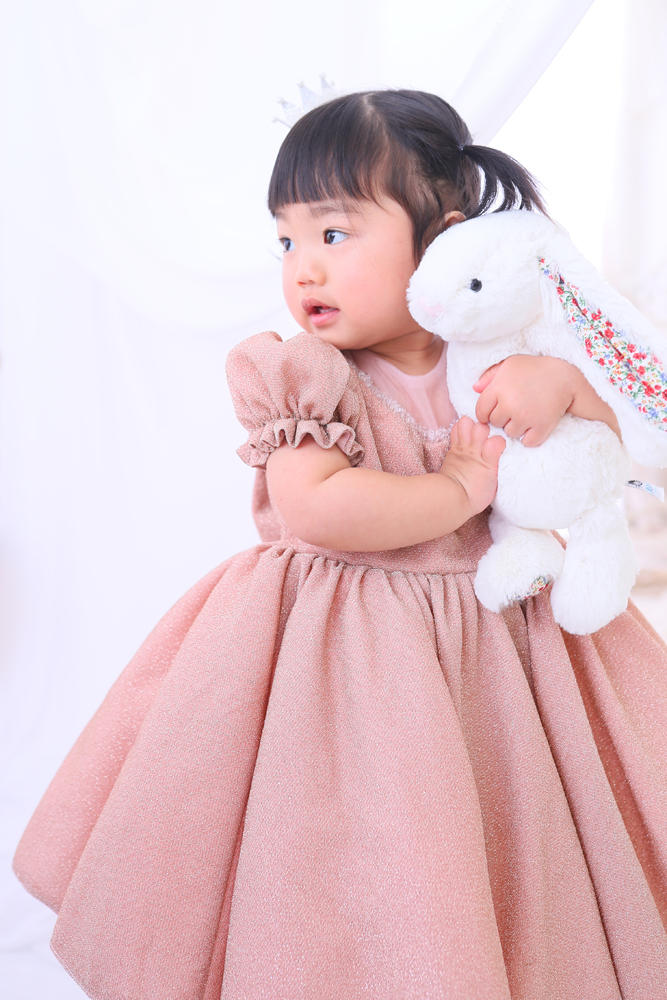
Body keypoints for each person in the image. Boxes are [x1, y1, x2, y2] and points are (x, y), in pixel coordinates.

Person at [13, 90, 667, 1000]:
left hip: (502, 644)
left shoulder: (500, 353)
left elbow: (625, 441)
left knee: (512, 823)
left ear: (440, 244)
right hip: (347, 661)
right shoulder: (311, 377)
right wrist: (454, 492)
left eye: (332, 234)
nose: (303, 269)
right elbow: (315, 504)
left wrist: (563, 388)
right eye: (285, 241)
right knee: (382, 839)